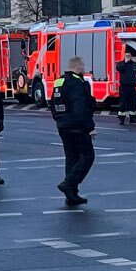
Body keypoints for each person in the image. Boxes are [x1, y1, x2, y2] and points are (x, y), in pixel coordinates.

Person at [52, 54, 97, 207]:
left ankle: (71, 195)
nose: (84, 69)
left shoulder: (59, 81)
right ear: (78, 68)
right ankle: (68, 184)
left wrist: (59, 120)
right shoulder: (77, 83)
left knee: (71, 158)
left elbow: (52, 104)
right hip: (76, 126)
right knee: (87, 156)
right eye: (83, 67)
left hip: (63, 125)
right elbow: (80, 108)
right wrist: (90, 128)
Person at [115, 50, 136, 123]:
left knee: (133, 103)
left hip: (132, 87)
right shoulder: (121, 64)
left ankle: (132, 119)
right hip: (124, 87)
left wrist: (135, 82)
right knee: (123, 103)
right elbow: (118, 69)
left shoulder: (134, 65)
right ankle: (121, 119)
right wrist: (125, 62)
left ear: (131, 56)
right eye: (126, 55)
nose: (128, 57)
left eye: (129, 55)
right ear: (124, 56)